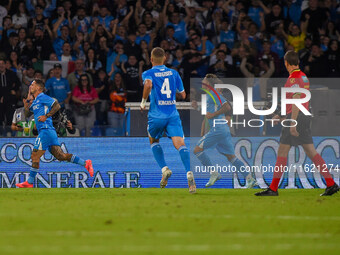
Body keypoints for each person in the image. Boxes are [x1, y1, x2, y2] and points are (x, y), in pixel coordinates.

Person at [255, 50, 339, 196]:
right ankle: (331, 184)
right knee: (312, 153)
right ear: (298, 62)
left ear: (286, 63)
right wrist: (280, 115)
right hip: (303, 116)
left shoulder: (293, 79)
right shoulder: (303, 77)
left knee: (282, 152)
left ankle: (273, 189)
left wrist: (292, 123)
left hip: (296, 117)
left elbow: (295, 101)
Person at [15, 79, 93, 188]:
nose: (30, 86)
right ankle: (86, 163)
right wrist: (28, 96)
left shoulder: (42, 96)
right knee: (60, 156)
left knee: (34, 156)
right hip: (49, 131)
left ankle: (29, 182)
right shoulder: (36, 100)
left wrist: (46, 116)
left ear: (38, 87)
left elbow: (57, 106)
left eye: (32, 85)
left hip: (45, 131)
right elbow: (27, 113)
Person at [140, 47, 195, 193]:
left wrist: (143, 102)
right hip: (172, 115)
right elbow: (183, 94)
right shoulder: (174, 73)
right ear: (165, 58)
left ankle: (164, 169)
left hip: (156, 115)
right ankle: (189, 173)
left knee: (153, 140)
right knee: (181, 145)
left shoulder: (148, 73)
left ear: (151, 59)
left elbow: (148, 84)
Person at [193, 74, 258, 188]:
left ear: (208, 83)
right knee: (231, 157)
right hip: (222, 130)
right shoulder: (210, 95)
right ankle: (250, 178)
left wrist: (213, 114)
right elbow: (209, 114)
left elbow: (227, 107)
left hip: (218, 129)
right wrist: (198, 108)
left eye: (204, 80)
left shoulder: (214, 93)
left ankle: (214, 173)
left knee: (197, 150)